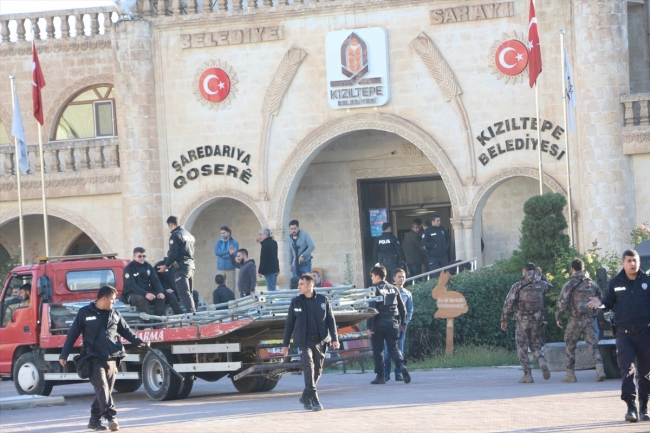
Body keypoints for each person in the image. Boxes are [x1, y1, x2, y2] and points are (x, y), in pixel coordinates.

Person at [59, 285, 147, 432]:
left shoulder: (115, 314)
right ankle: (111, 417)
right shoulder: (84, 313)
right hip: (93, 359)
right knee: (102, 388)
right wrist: (64, 354)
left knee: (104, 392)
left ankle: (94, 421)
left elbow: (126, 331)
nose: (114, 303)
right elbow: (72, 335)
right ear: (104, 299)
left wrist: (139, 342)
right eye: (112, 300)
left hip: (113, 358)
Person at [587, 249, 650, 423]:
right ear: (623, 263)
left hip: (646, 334)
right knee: (627, 370)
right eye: (629, 260)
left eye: (635, 260)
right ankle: (631, 407)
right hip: (624, 335)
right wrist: (600, 304)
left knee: (646, 373)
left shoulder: (647, 281)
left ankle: (644, 407)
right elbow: (607, 302)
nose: (632, 264)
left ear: (639, 262)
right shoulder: (615, 282)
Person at [281, 274, 339, 411]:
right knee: (309, 367)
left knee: (317, 371)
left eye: (301, 284)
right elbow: (289, 324)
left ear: (310, 285)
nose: (298, 286)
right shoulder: (296, 302)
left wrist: (335, 339)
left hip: (321, 341)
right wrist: (285, 344)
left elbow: (331, 320)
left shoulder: (322, 300)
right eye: (298, 284)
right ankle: (315, 400)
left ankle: (305, 397)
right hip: (304, 341)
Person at [555, 258, 606, 383]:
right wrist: (594, 313)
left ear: (572, 269)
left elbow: (562, 302)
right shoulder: (592, 284)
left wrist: (558, 317)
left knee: (570, 345)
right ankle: (600, 371)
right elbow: (601, 301)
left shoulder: (570, 284)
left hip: (575, 320)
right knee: (593, 345)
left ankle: (570, 375)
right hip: (589, 320)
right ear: (584, 268)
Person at [500, 263, 553, 383]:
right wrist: (542, 275)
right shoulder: (541, 283)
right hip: (537, 320)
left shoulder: (518, 285)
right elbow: (551, 286)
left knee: (522, 347)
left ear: (524, 272)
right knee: (535, 344)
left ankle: (527, 375)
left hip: (522, 321)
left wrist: (504, 319)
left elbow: (508, 303)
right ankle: (541, 360)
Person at [367, 265, 411, 385]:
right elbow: (403, 309)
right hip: (393, 323)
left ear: (377, 276)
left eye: (372, 276)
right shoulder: (394, 288)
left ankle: (380, 376)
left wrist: (369, 327)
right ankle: (401, 365)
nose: (371, 279)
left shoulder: (374, 289)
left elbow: (371, 309)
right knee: (394, 348)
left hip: (378, 323)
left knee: (378, 350)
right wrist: (403, 322)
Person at [121, 248, 183, 321]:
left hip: (145, 291)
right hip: (131, 294)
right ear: (134, 257)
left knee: (160, 296)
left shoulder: (148, 266)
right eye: (139, 256)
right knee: (142, 299)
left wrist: (160, 292)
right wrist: (145, 294)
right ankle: (147, 324)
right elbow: (131, 285)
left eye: (144, 256)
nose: (142, 258)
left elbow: (155, 281)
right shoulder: (129, 269)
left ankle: (158, 322)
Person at [158, 216, 196, 313]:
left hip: (181, 268)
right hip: (191, 266)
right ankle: (193, 312)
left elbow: (173, 254)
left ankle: (191, 315)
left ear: (170, 224)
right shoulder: (189, 235)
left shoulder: (175, 235)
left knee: (183, 292)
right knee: (189, 293)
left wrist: (165, 266)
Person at [384, 269, 413, 381]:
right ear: (394, 278)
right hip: (389, 325)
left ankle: (399, 373)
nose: (401, 279)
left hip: (401, 326)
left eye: (403, 277)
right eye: (399, 276)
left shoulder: (407, 294)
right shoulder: (389, 292)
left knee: (400, 350)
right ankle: (386, 373)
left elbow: (410, 310)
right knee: (387, 351)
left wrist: (406, 322)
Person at [214, 226, 239, 294]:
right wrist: (228, 252)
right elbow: (216, 252)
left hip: (230, 267)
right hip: (220, 268)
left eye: (224, 233)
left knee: (231, 287)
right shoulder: (219, 242)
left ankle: (232, 303)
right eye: (221, 233)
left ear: (228, 232)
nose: (222, 234)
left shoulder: (234, 243)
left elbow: (234, 254)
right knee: (219, 287)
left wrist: (222, 255)